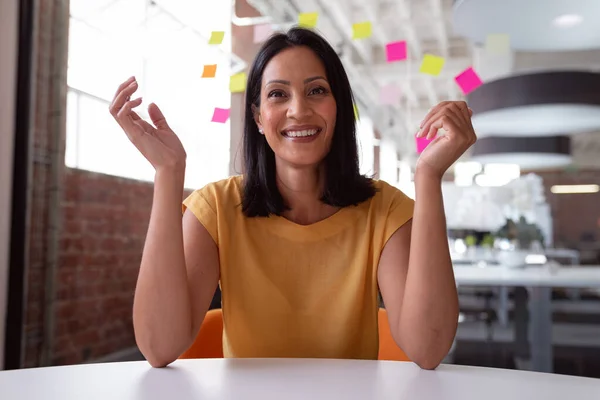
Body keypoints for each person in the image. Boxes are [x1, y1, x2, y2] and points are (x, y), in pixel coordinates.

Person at [109, 27, 476, 369]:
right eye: (278, 94)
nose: (298, 110)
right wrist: (168, 173)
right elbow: (159, 347)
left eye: (317, 90)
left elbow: (427, 350)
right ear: (257, 117)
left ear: (340, 107)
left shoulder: (385, 209)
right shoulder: (216, 208)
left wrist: (428, 177)